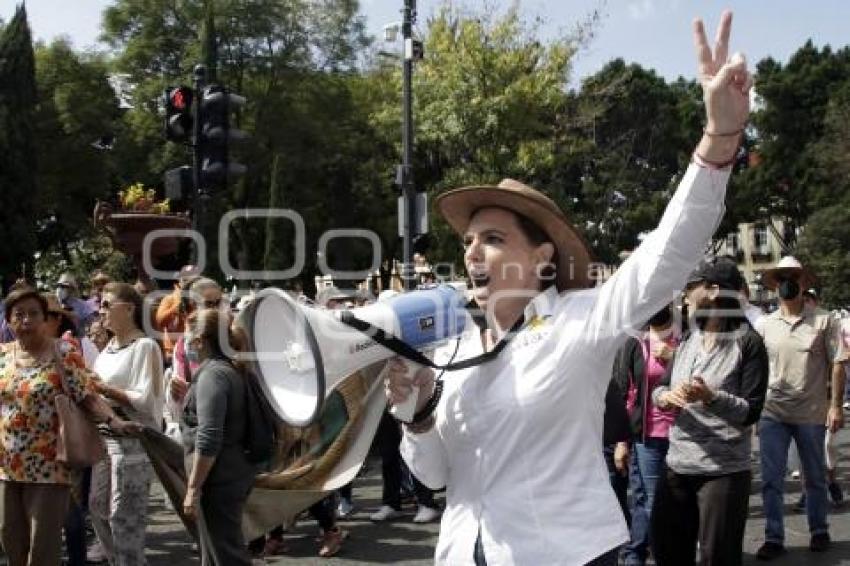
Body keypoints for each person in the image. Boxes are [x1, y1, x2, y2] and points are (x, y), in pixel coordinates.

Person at [385, 11, 751, 564]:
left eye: (493, 238)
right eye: (467, 240)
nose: (471, 251)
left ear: (541, 255)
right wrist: (416, 415)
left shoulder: (582, 319)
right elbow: (435, 478)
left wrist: (719, 140)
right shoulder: (450, 346)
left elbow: (666, 255)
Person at [0, 287, 139, 566]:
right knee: (11, 541)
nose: (26, 320)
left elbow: (87, 396)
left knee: (42, 548)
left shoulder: (62, 352)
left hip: (49, 466)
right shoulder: (2, 356)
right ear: (9, 321)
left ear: (45, 318)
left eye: (33, 314)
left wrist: (114, 420)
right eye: (19, 315)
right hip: (6, 466)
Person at [649, 257, 769, 566]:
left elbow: (751, 412)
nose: (685, 297)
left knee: (718, 557)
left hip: (723, 473)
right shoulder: (689, 338)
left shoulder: (749, 343)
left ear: (714, 290)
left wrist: (711, 397)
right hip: (677, 465)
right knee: (667, 550)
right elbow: (659, 387)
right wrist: (666, 397)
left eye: (690, 288)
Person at [754, 256, 846, 560]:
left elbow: (838, 364)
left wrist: (836, 406)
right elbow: (756, 369)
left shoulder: (824, 320)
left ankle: (819, 530)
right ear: (774, 284)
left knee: (815, 476)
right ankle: (773, 536)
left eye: (793, 276)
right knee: (771, 478)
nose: (787, 282)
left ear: (804, 282)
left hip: (811, 413)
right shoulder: (765, 325)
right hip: (773, 412)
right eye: (782, 277)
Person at [88, 282, 165, 565]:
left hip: (133, 442)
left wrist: (106, 390)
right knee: (97, 506)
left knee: (126, 514)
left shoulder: (145, 346)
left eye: (107, 305)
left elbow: (148, 400)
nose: (101, 311)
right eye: (100, 305)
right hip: (103, 439)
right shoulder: (107, 348)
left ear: (129, 309)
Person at [180, 307, 255, 565]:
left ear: (200, 341)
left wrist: (193, 487)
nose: (185, 344)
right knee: (215, 553)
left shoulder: (213, 375)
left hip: (218, 480)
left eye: (188, 338)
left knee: (227, 555)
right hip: (228, 474)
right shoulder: (226, 370)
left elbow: (210, 436)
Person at [613, 304, 680, 566]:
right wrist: (623, 440)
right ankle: (645, 552)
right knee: (649, 499)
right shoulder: (635, 343)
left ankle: (641, 551)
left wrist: (673, 356)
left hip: (681, 435)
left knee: (668, 499)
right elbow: (627, 395)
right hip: (648, 435)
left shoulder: (684, 340)